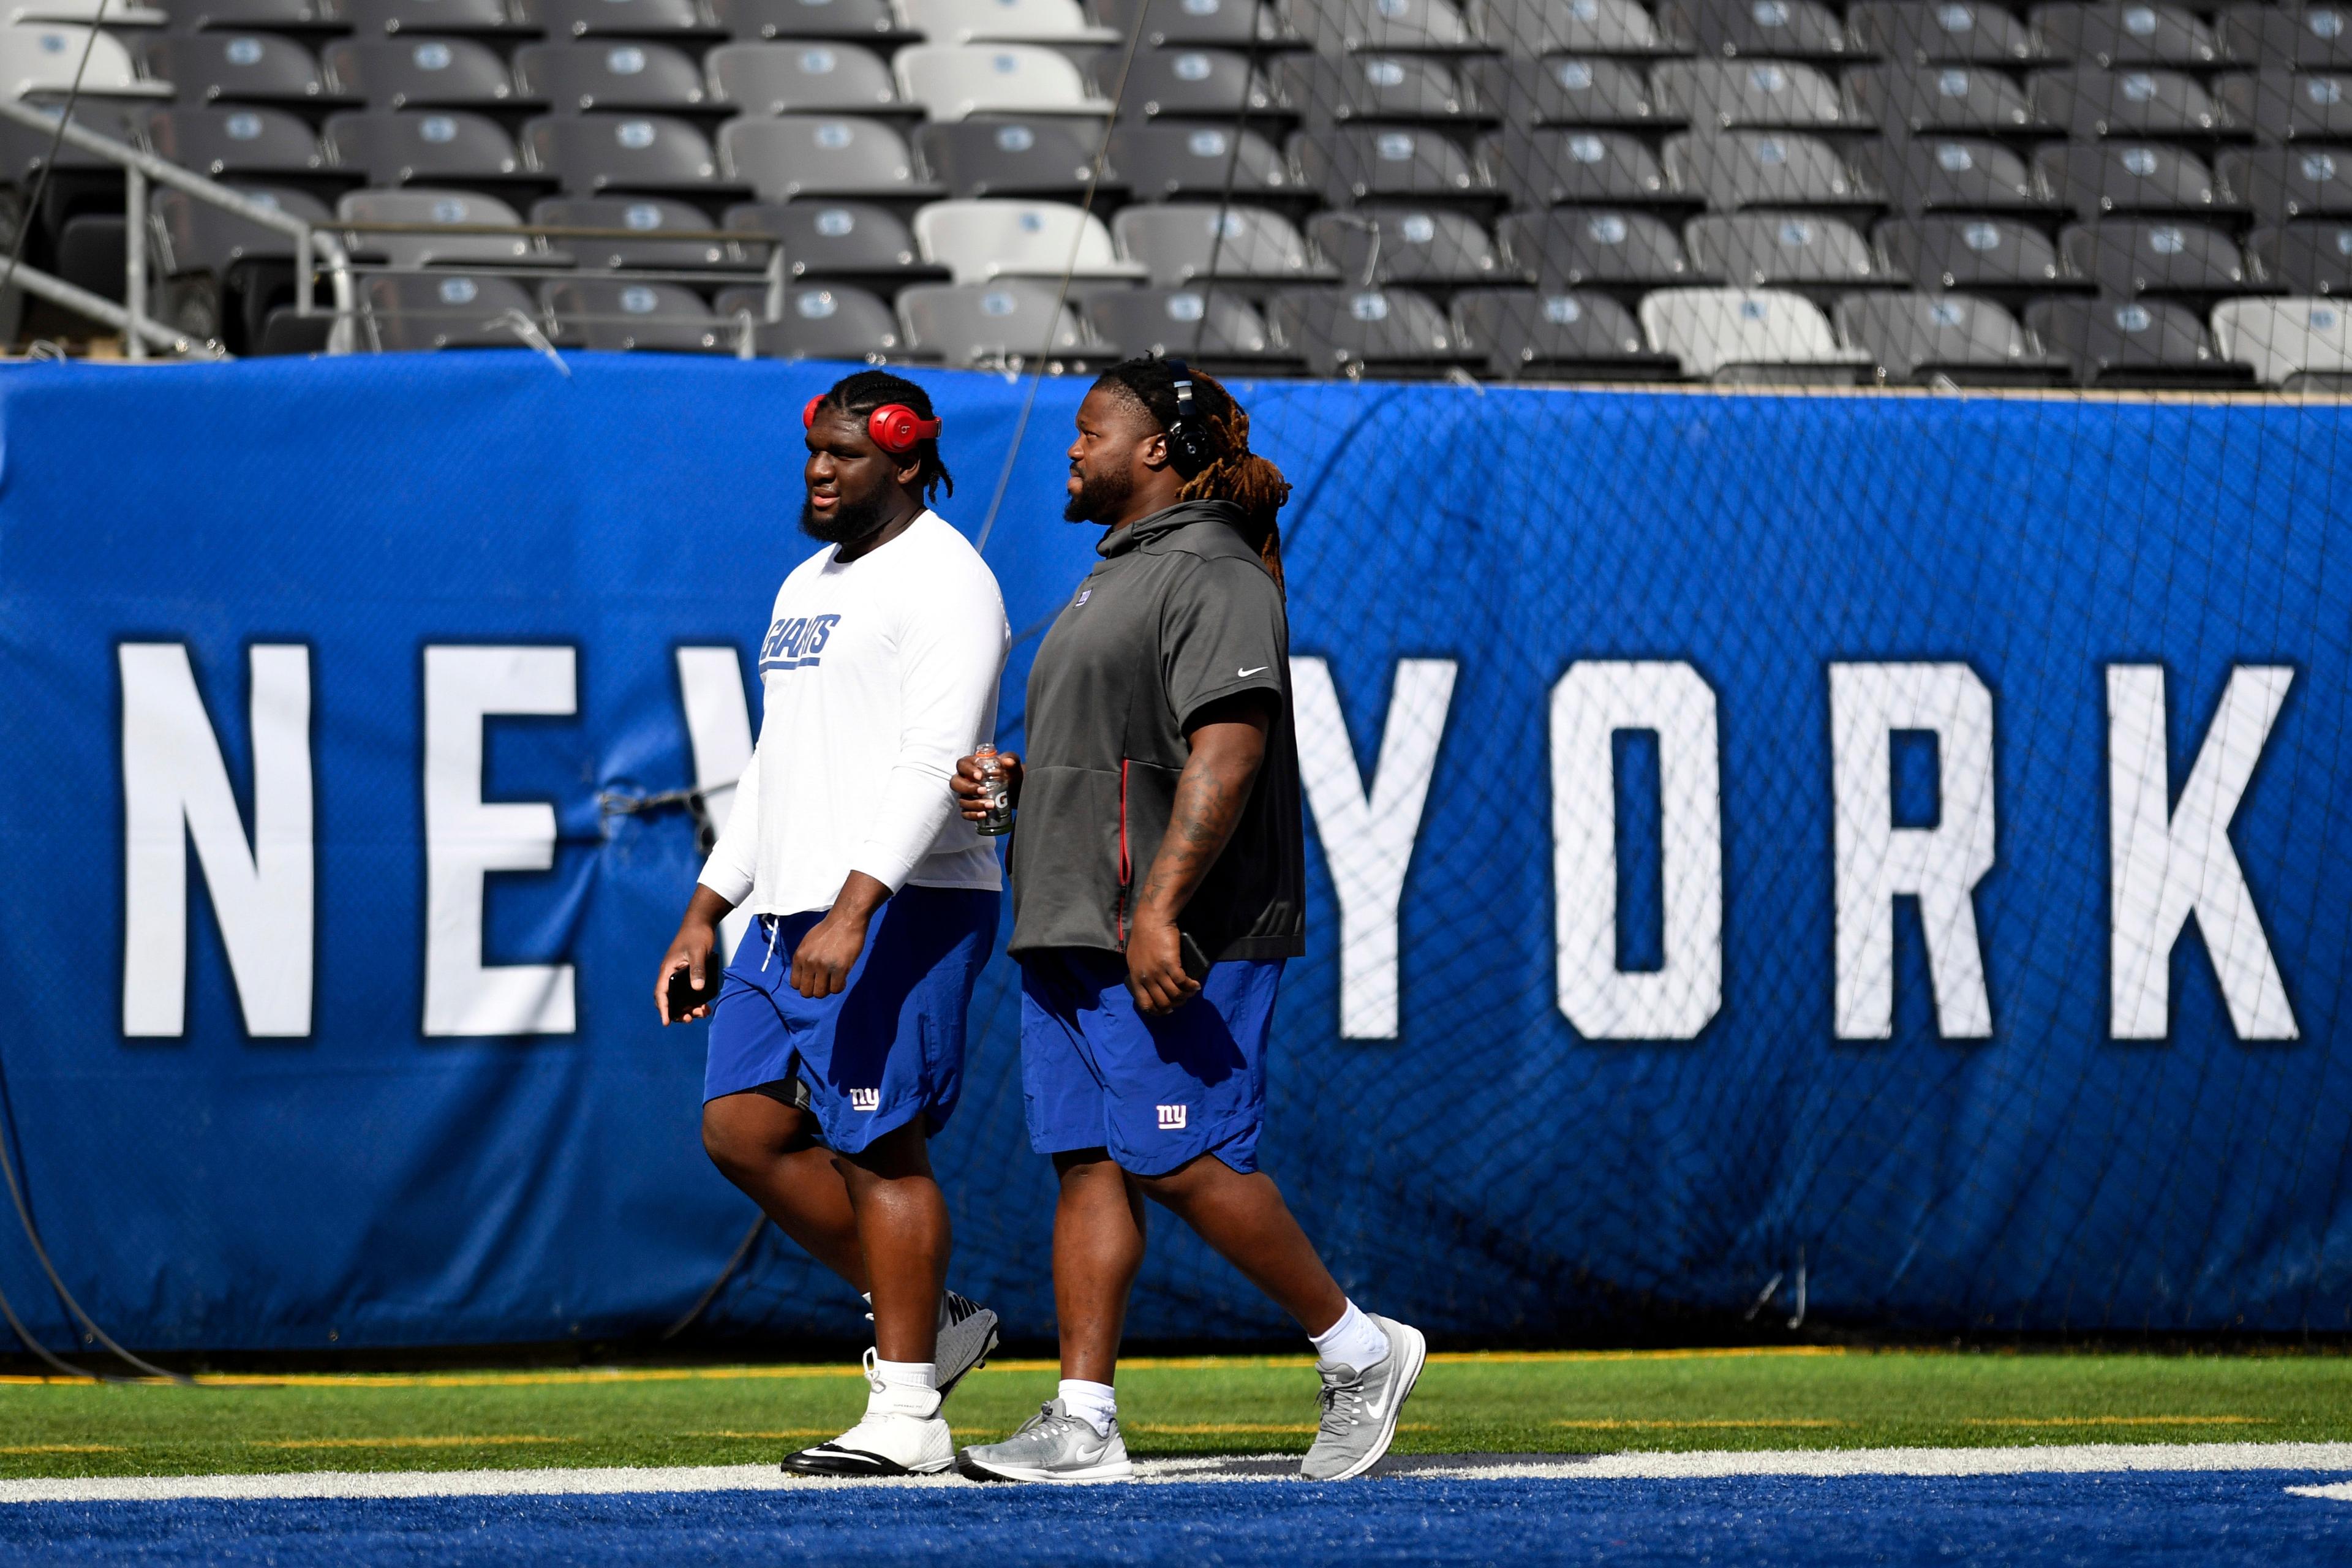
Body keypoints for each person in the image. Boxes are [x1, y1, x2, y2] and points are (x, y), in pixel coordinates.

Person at [949, 358, 1423, 1485]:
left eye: (1088, 430)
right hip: (1071, 921)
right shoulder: (1113, 573)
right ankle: (1083, 1421)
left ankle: (1362, 1352)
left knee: (1181, 1156)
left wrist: (1159, 907)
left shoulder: (1214, 569)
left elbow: (1230, 749)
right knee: (1089, 1166)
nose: (1070, 449)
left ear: (1154, 449)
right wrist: (1019, 788)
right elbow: (1129, 759)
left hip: (1166, 928)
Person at [655, 371, 1009, 1479]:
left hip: (901, 899)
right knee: (741, 1129)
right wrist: (706, 910)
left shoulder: (948, 580)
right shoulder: (806, 580)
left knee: (879, 1145)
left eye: (846, 454)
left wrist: (858, 908)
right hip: (784, 903)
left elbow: (932, 765)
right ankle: (932, 1318)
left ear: (905, 460)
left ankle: (908, 1415)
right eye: (814, 451)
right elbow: (774, 762)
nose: (820, 470)